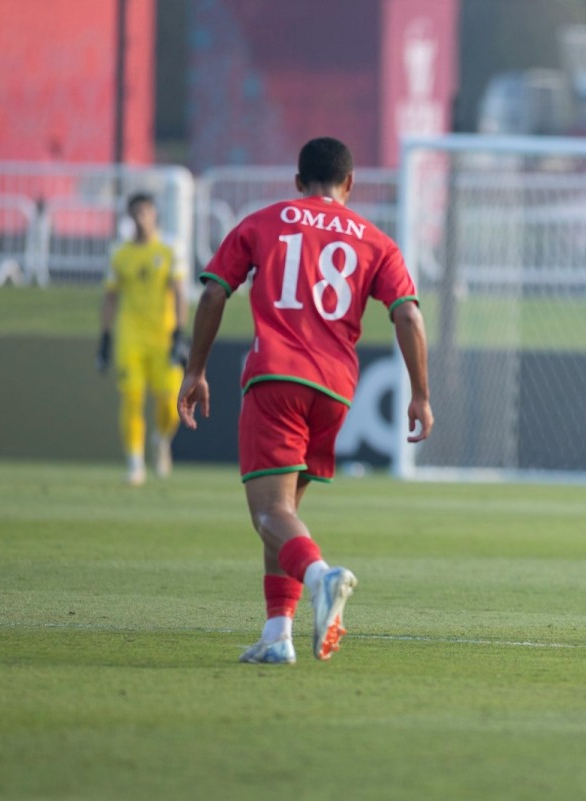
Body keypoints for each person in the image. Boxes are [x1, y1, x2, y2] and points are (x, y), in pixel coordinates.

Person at [177, 137, 433, 665]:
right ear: (351, 183)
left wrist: (195, 369)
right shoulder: (376, 240)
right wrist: (421, 395)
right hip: (335, 390)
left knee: (268, 514)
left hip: (277, 377)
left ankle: (322, 577)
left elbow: (213, 292)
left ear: (298, 181)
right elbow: (407, 314)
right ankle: (277, 635)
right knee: (286, 512)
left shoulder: (263, 220)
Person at [98, 192, 188, 486]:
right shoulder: (120, 253)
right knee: (132, 398)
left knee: (170, 403)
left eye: (146, 211)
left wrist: (179, 333)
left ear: (154, 214)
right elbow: (110, 297)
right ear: (129, 216)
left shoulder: (170, 248)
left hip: (162, 337)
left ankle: (161, 440)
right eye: (136, 212)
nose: (141, 217)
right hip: (130, 336)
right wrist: (105, 337)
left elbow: (179, 292)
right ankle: (135, 463)